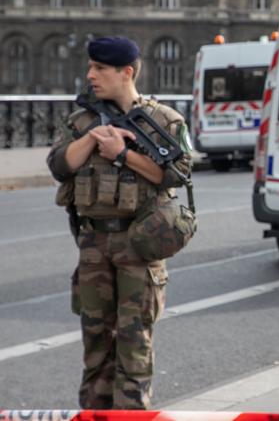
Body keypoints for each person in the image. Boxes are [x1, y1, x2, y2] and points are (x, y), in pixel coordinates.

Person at [46, 36, 192, 409]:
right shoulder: (82, 121)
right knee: (95, 345)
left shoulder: (165, 121)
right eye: (90, 67)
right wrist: (94, 139)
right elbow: (59, 166)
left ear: (126, 72)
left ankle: (131, 416)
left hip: (139, 245)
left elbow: (175, 175)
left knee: (134, 346)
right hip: (93, 245)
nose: (90, 74)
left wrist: (122, 154)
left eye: (99, 68)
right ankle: (95, 415)